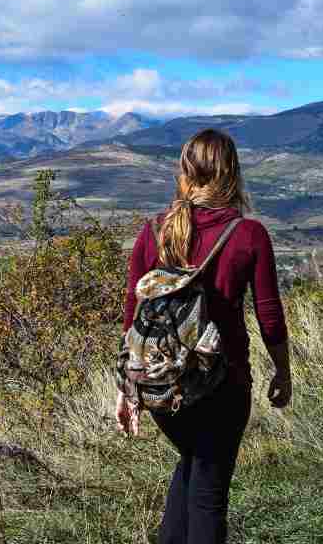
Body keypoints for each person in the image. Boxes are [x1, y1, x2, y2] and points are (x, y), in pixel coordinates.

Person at [117, 128, 292, 544]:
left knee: (192, 467)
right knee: (209, 496)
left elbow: (133, 312)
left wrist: (127, 386)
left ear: (185, 171)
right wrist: (283, 371)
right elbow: (269, 315)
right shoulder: (248, 235)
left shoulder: (155, 229)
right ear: (232, 172)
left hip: (162, 385)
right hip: (223, 384)